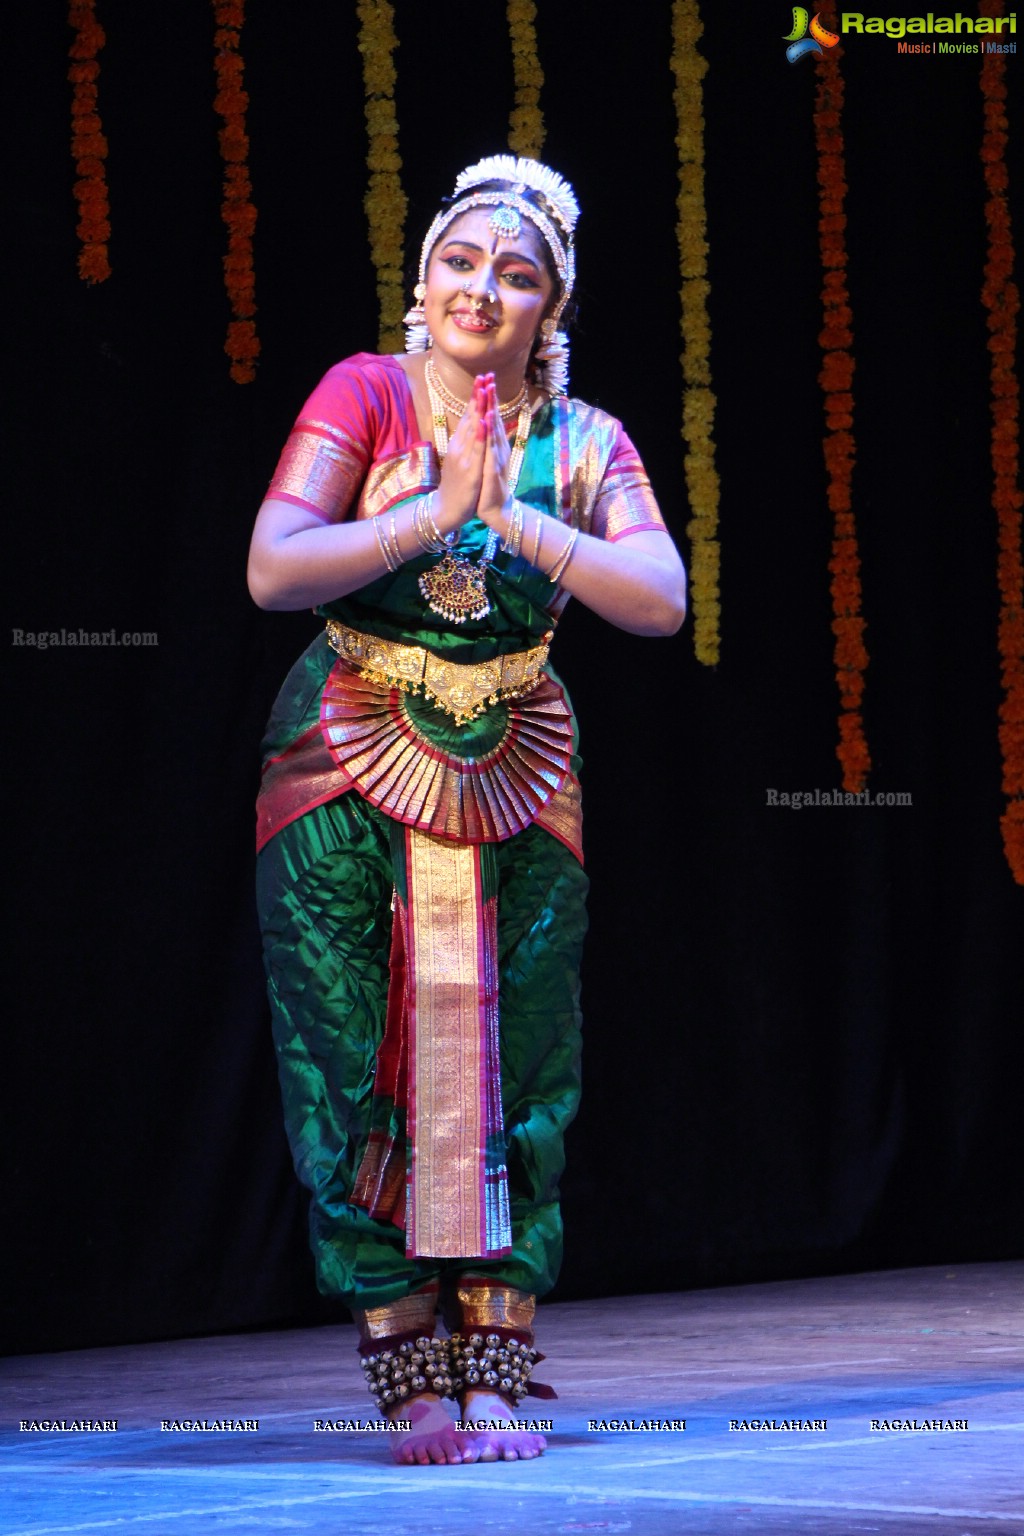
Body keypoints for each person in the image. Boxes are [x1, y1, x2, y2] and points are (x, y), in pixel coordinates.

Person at [247, 155, 686, 1466]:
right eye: (460, 261)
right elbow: (275, 567)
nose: (481, 289)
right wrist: (432, 512)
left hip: (518, 758)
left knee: (521, 1050)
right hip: (340, 753)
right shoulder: (364, 392)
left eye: (517, 274)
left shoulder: (585, 439)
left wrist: (516, 521)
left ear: (552, 308)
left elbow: (658, 596)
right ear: (422, 274)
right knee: (346, 1042)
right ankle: (409, 1370)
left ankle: (495, 1361)